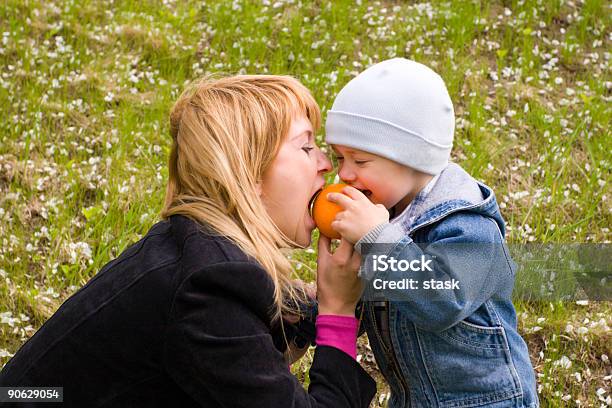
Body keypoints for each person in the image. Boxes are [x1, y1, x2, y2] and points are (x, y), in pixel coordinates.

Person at [0, 75, 376, 407]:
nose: (326, 164)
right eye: (306, 147)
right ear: (248, 174)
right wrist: (338, 313)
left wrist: (311, 309)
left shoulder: (194, 249)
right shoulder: (208, 287)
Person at [323, 58, 539, 407]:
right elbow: (365, 305)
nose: (345, 173)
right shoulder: (384, 219)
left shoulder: (469, 226)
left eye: (359, 161)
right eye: (339, 159)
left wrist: (377, 240)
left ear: (412, 158)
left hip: (486, 400)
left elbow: (441, 302)